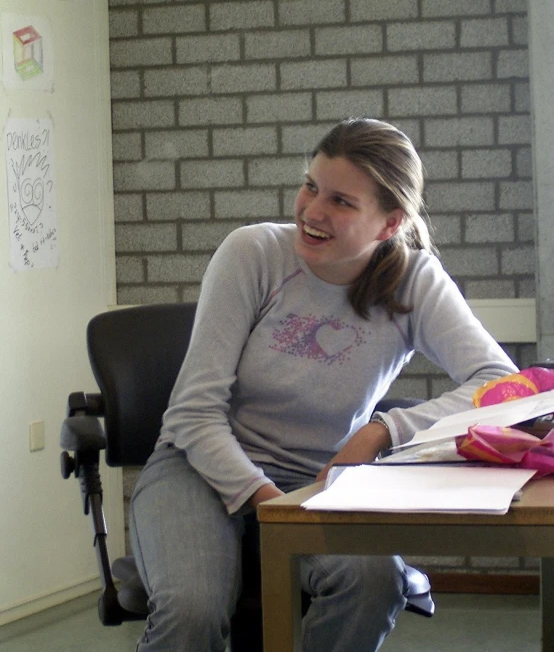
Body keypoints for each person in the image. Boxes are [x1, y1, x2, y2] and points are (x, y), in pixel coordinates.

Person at [130, 118, 517, 652]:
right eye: (311, 186)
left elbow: (500, 385)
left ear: (390, 222)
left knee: (376, 582)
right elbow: (193, 413)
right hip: (196, 466)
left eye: (341, 201)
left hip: (320, 476)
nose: (312, 211)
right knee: (191, 614)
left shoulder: (414, 280)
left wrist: (383, 431)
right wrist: (270, 504)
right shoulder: (254, 254)